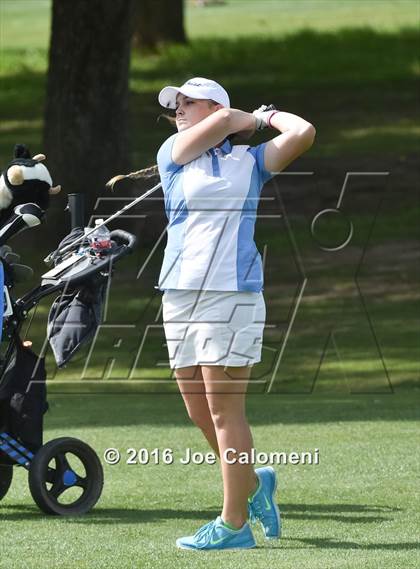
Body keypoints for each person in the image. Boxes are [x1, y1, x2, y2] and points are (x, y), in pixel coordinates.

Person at [156, 77, 315, 550]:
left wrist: (264, 118)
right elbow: (225, 121)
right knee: (197, 410)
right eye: (176, 104)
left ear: (216, 106)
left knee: (226, 411)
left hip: (233, 294)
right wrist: (243, 118)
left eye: (189, 102)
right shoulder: (173, 152)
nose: (179, 109)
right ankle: (253, 483)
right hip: (179, 292)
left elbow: (303, 131)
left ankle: (233, 525)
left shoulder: (250, 162)